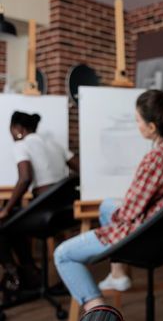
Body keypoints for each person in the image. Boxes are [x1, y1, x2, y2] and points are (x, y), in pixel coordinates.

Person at [54, 89, 163, 313]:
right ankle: (118, 274)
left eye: (138, 119)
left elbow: (128, 213)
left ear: (152, 127)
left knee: (63, 255)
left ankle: (98, 311)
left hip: (151, 240)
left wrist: (116, 220)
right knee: (107, 204)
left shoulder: (157, 158)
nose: (136, 124)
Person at [0, 111, 78, 300]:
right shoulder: (55, 144)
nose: (11, 136)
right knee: (13, 223)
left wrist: (6, 209)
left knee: (4, 222)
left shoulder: (21, 145)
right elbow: (79, 169)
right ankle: (30, 272)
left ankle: (15, 274)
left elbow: (25, 178)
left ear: (18, 129)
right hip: (65, 212)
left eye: (11, 131)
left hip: (43, 213)